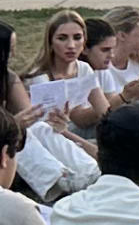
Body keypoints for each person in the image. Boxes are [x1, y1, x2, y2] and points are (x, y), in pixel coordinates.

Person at [26, 10, 108, 138]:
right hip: (51, 138)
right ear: (51, 42)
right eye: (62, 38)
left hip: (74, 130)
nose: (71, 45)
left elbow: (104, 112)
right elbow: (46, 131)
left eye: (77, 38)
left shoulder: (84, 69)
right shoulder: (40, 78)